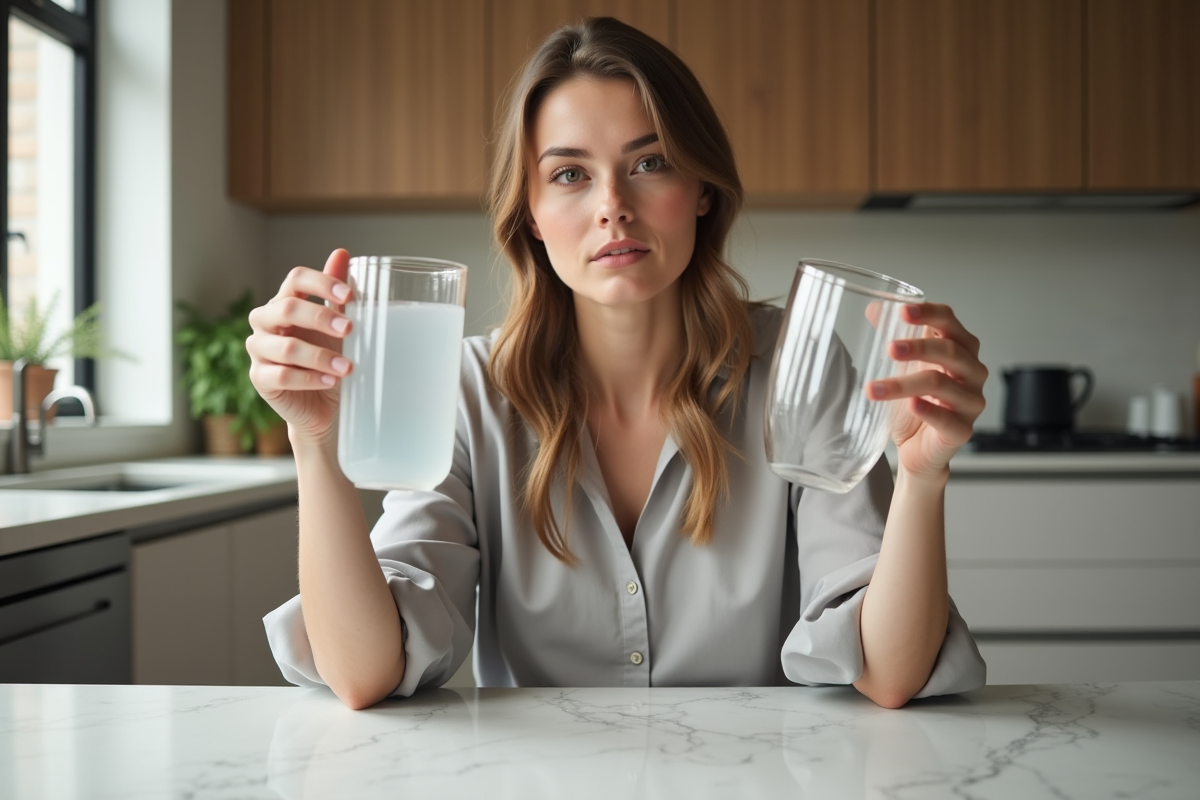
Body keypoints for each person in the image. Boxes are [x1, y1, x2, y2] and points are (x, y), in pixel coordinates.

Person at [246, 17, 988, 711]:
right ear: (530, 214)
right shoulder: (469, 389)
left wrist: (925, 477)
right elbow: (364, 671)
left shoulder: (796, 369)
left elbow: (889, 675)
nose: (613, 207)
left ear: (701, 189)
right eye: (570, 174)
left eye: (651, 162)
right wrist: (314, 444)